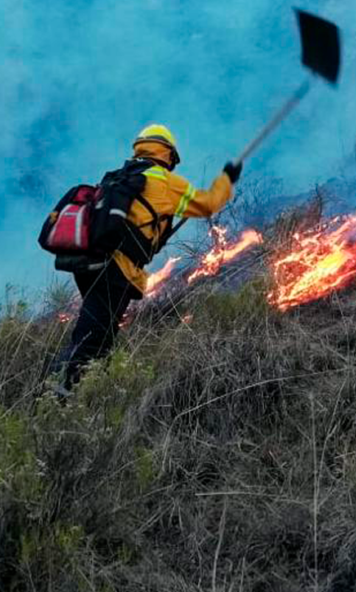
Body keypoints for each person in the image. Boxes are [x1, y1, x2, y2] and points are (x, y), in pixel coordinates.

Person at [52, 124, 241, 394]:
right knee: (94, 337)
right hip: (117, 268)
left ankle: (82, 391)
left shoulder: (118, 176)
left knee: (98, 331)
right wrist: (227, 179)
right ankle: (61, 394)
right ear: (169, 154)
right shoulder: (164, 180)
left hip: (89, 263)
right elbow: (208, 203)